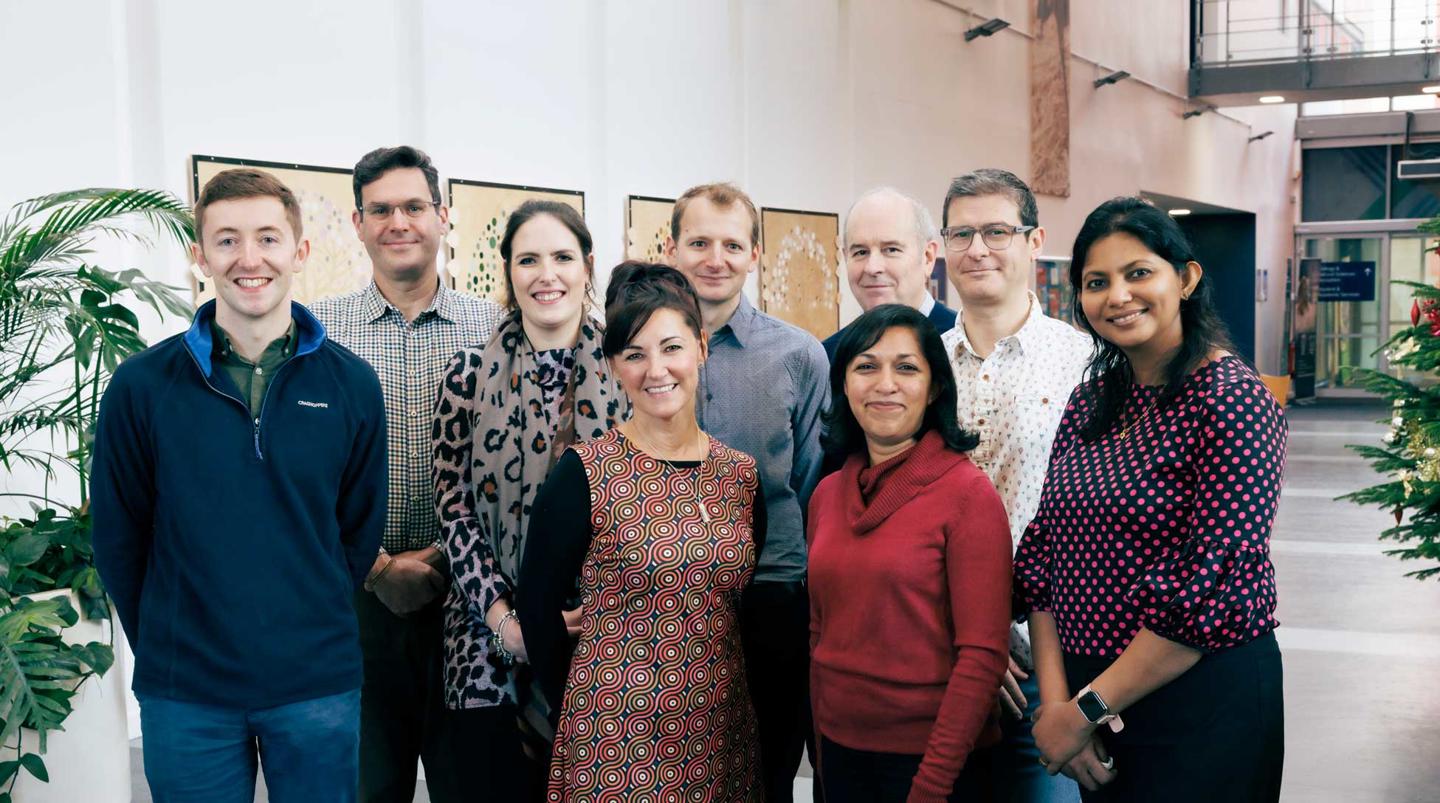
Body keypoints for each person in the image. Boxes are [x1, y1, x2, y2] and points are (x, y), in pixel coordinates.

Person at [91, 168, 388, 801]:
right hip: (187, 690)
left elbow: (358, 532)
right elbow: (119, 538)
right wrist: (173, 638)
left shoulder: (353, 387)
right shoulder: (142, 388)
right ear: (199, 258)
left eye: (267, 239)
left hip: (316, 685)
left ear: (299, 253)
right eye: (226, 241)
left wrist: (308, 615)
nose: (248, 259)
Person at [1015, 197, 1286, 802]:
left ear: (1186, 278)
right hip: (1093, 709)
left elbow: (1207, 586)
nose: (1118, 296)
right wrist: (1059, 709)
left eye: (1139, 273)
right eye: (1097, 282)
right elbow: (1041, 563)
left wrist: (1082, 711)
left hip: (1200, 704)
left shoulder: (1231, 400)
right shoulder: (1089, 403)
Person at [519, 261, 766, 801]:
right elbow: (535, 605)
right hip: (614, 740)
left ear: (701, 347)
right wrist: (579, 706)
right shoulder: (584, 473)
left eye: (672, 347)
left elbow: (743, 605)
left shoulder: (740, 475)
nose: (657, 369)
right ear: (613, 367)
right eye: (635, 354)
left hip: (720, 733)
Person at [309, 145, 503, 803]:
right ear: (358, 223)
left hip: (471, 602)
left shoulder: (497, 326)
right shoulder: (316, 333)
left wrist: (450, 560)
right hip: (356, 602)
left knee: (473, 786)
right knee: (369, 786)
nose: (399, 221)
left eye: (414, 206)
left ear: (443, 215)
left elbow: (511, 470)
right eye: (381, 209)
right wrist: (377, 566)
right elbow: (303, 472)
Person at [431, 199, 628, 798]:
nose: (547, 275)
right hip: (486, 638)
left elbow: (646, 499)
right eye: (529, 259)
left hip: (599, 633)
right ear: (508, 271)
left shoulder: (629, 368)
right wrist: (506, 622)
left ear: (588, 266)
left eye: (563, 257)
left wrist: (590, 614)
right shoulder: (467, 374)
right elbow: (455, 511)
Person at [664, 181, 829, 802]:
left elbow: (814, 481)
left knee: (769, 775)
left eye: (733, 244)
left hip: (772, 593)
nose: (715, 258)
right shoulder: (636, 353)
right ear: (672, 247)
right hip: (666, 596)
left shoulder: (797, 355)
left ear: (756, 254)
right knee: (678, 773)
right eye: (700, 241)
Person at [808, 304, 1011, 802]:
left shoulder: (968, 495)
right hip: (839, 757)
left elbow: (983, 656)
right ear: (845, 384)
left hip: (934, 766)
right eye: (866, 366)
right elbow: (819, 631)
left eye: (906, 367)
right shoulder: (827, 494)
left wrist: (932, 786)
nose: (885, 384)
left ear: (935, 386)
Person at [939, 168, 1091, 802]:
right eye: (962, 233)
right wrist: (970, 630)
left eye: (997, 230)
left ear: (1035, 241)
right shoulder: (921, 366)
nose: (977, 249)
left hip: (1044, 659)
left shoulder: (1085, 361)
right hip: (937, 644)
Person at [821, 187, 956, 362]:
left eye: (891, 250)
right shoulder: (827, 359)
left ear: (927, 257)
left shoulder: (968, 348)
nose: (872, 267)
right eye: (861, 252)